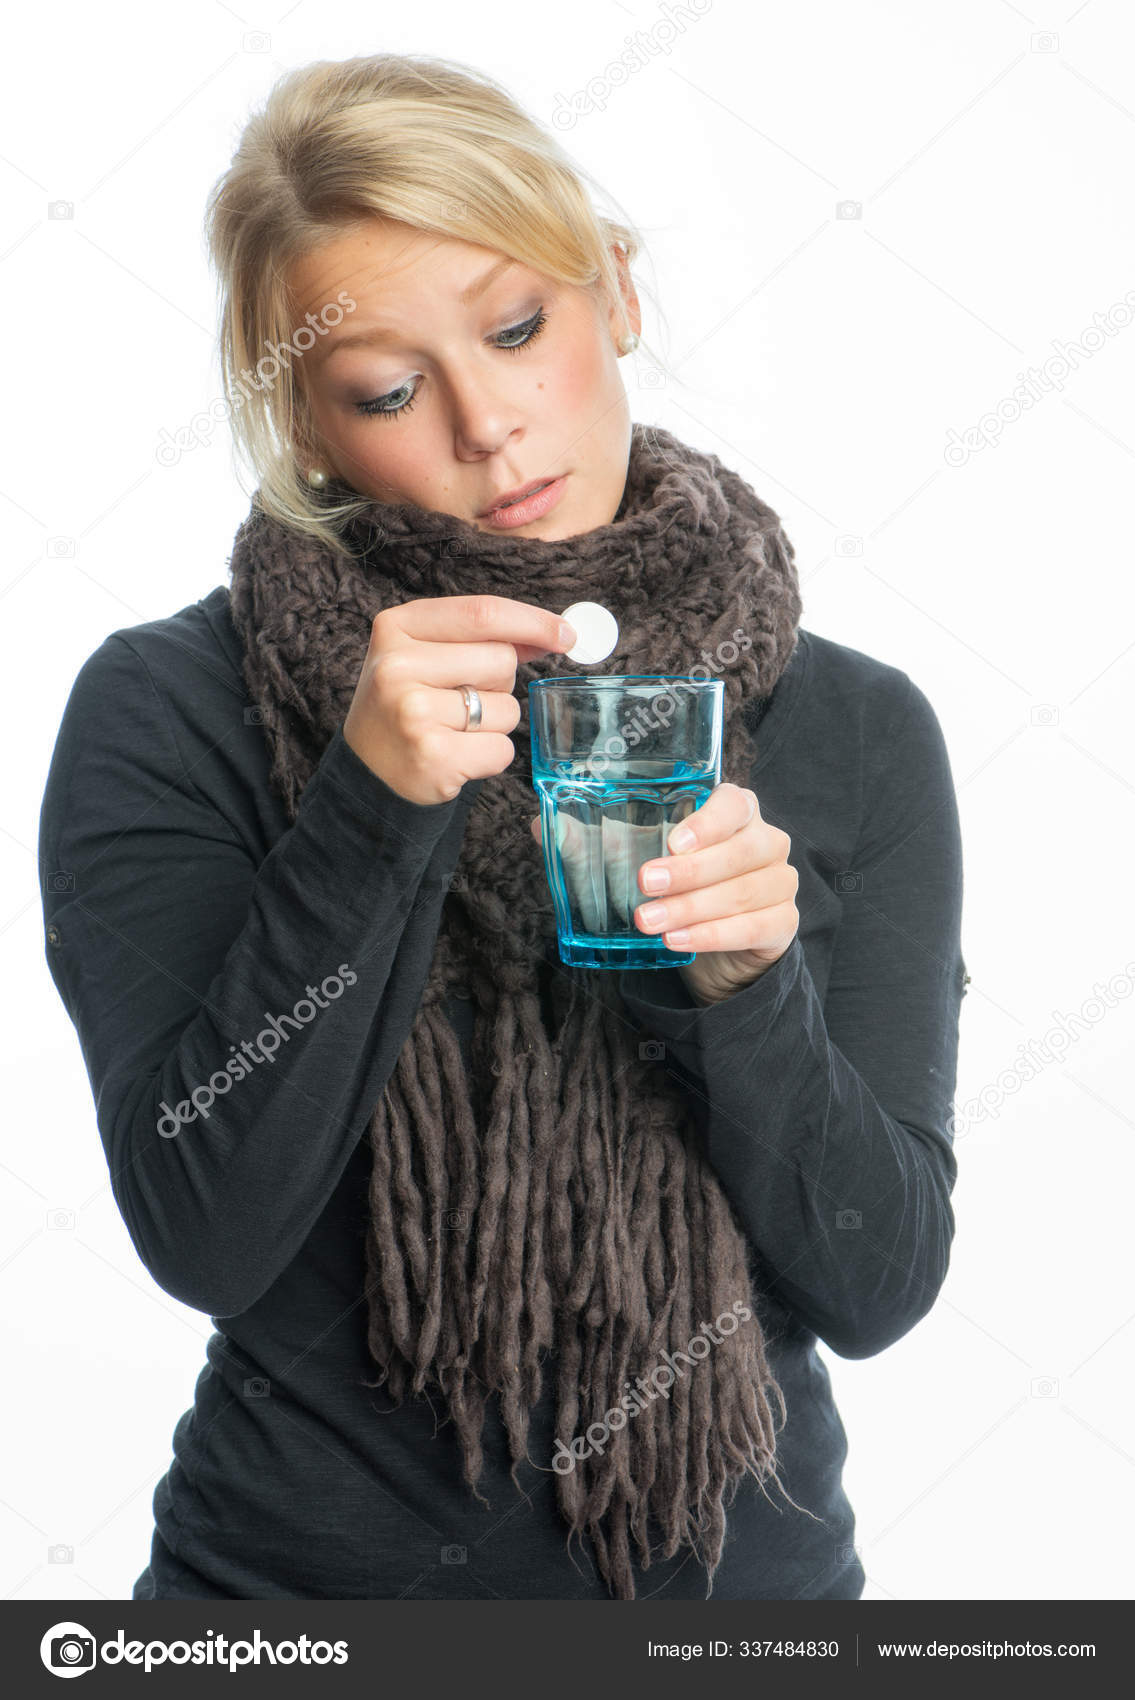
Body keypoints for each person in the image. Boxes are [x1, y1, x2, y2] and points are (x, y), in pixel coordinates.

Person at [38, 52, 968, 1602]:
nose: (487, 424)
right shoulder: (170, 705)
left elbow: (874, 1284)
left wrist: (749, 993)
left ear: (617, 293)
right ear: (311, 430)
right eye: (389, 390)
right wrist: (370, 812)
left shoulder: (856, 724)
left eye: (520, 326)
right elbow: (204, 1232)